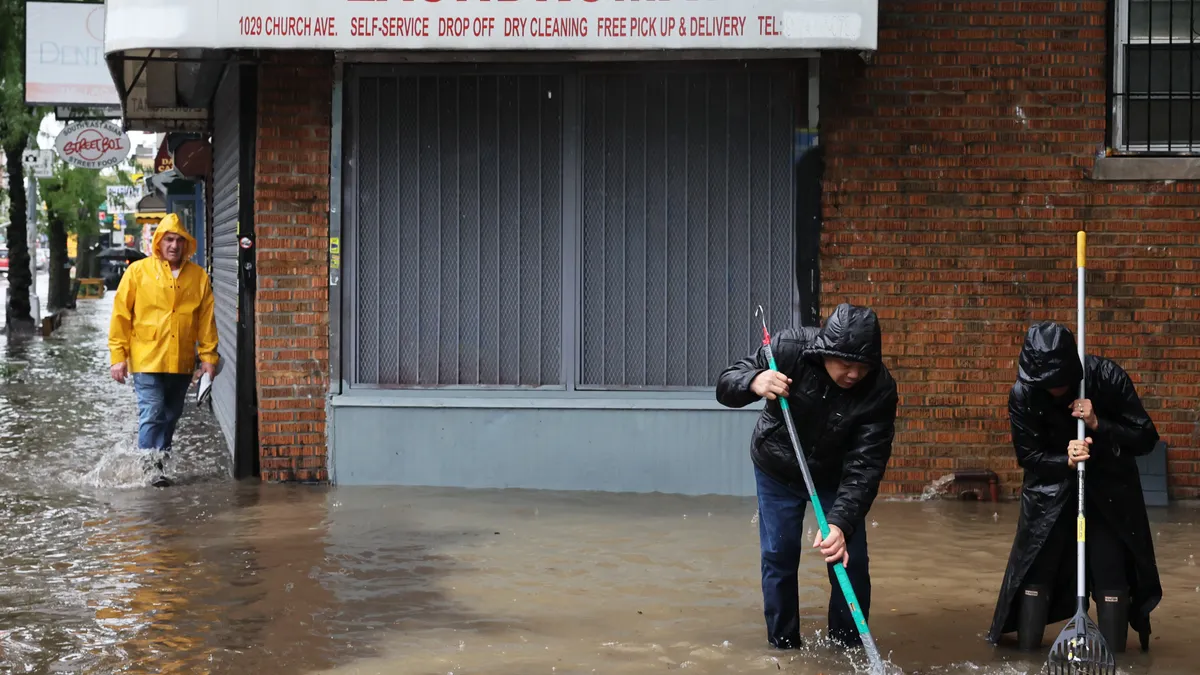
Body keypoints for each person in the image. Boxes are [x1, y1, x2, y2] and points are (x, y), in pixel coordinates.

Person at [716, 303, 898, 650]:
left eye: (863, 367)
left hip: (836, 477)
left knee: (849, 560)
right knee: (780, 553)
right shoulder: (787, 350)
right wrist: (754, 380)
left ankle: (847, 648)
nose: (854, 374)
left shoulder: (880, 390)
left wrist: (842, 524)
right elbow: (725, 384)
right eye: (845, 364)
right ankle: (784, 645)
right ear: (826, 352)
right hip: (778, 468)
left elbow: (867, 464)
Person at [987, 321, 1162, 653]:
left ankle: (1116, 658)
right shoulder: (1023, 393)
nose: (1054, 390)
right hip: (1049, 493)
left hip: (1108, 489)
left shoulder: (1105, 377)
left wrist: (1099, 424)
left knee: (1111, 568)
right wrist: (1064, 461)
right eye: (1045, 384)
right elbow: (1029, 456)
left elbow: (1145, 438)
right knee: (1036, 569)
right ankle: (1027, 657)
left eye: (1060, 383)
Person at [108, 213, 219, 487]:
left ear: (186, 244)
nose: (173, 245)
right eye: (168, 239)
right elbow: (121, 315)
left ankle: (160, 463)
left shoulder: (198, 276)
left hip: (180, 360)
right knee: (152, 411)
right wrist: (118, 357)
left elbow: (206, 320)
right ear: (159, 242)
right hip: (146, 357)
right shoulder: (138, 272)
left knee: (171, 415)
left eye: (179, 240)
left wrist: (208, 357)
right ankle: (149, 469)